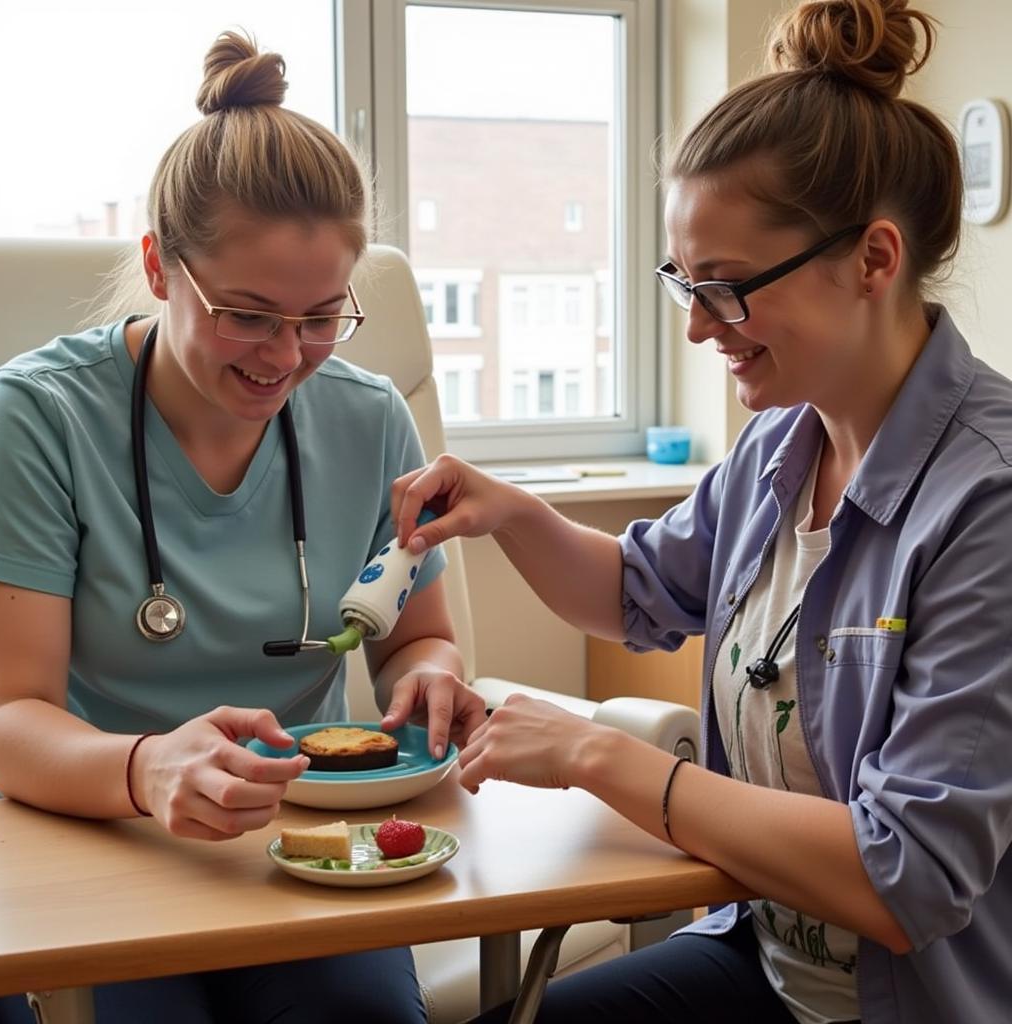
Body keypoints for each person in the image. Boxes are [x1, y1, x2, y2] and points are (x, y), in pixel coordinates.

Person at [392, 2, 1012, 1022]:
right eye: (682, 282)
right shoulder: (780, 443)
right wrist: (508, 512)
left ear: (873, 259)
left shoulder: (984, 501)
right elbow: (638, 593)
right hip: (760, 958)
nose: (692, 326)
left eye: (724, 289)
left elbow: (907, 875)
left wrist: (599, 754)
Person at [0, 30, 485, 1024]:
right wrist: (143, 766)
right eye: (248, 315)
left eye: (319, 318)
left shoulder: (368, 414)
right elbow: (8, 722)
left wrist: (427, 678)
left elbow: (414, 633)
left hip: (292, 837)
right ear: (159, 265)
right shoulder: (36, 419)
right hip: (88, 829)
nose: (285, 356)